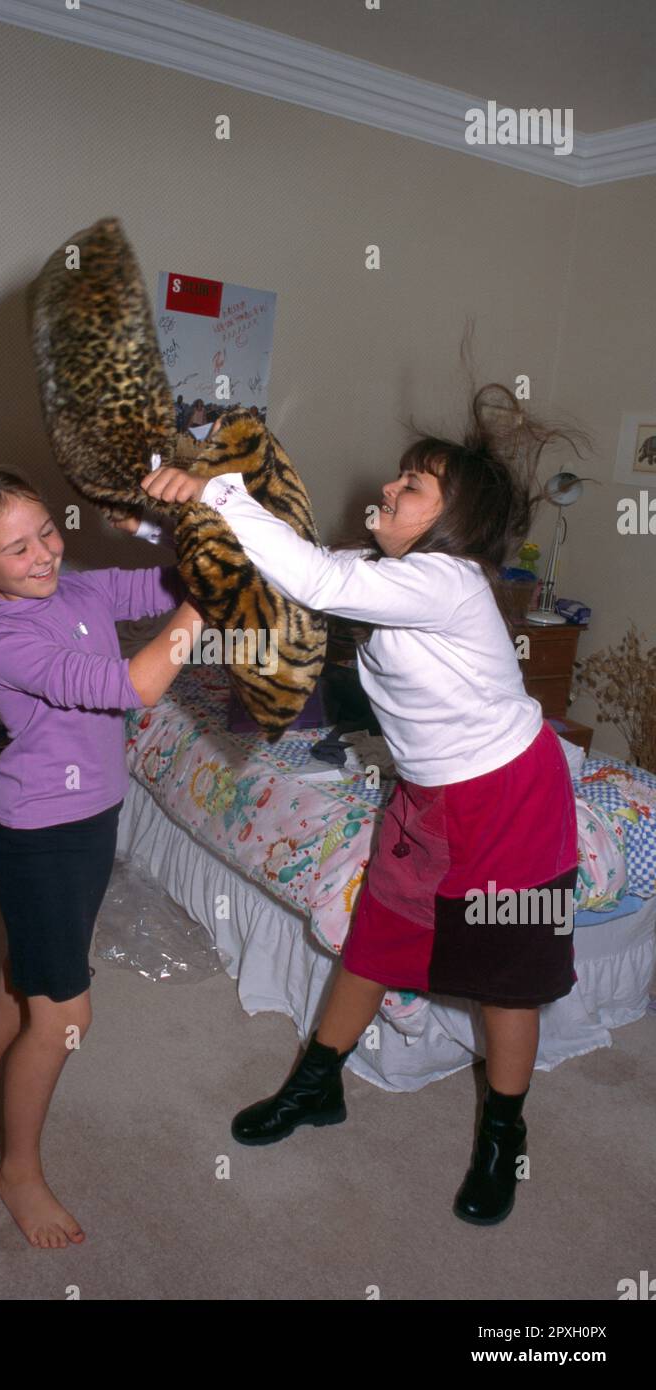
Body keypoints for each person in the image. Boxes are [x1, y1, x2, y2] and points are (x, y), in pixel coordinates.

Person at [140, 388, 584, 1226]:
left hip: (509, 799)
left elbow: (310, 573)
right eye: (401, 475)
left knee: (505, 982)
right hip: (425, 795)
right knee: (376, 941)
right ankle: (316, 1087)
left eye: (413, 486)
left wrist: (218, 490)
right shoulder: (386, 576)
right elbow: (280, 577)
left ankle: (502, 1139)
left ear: (450, 525)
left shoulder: (448, 583)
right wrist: (175, 519)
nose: (389, 486)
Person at [0, 469, 201, 1248]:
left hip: (91, 819)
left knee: (22, 983)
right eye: (16, 550)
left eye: (46, 531)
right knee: (63, 1016)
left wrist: (198, 537)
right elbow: (128, 687)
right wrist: (203, 609)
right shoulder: (4, 637)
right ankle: (21, 1170)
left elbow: (162, 581)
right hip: (39, 836)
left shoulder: (79, 590)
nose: (45, 553)